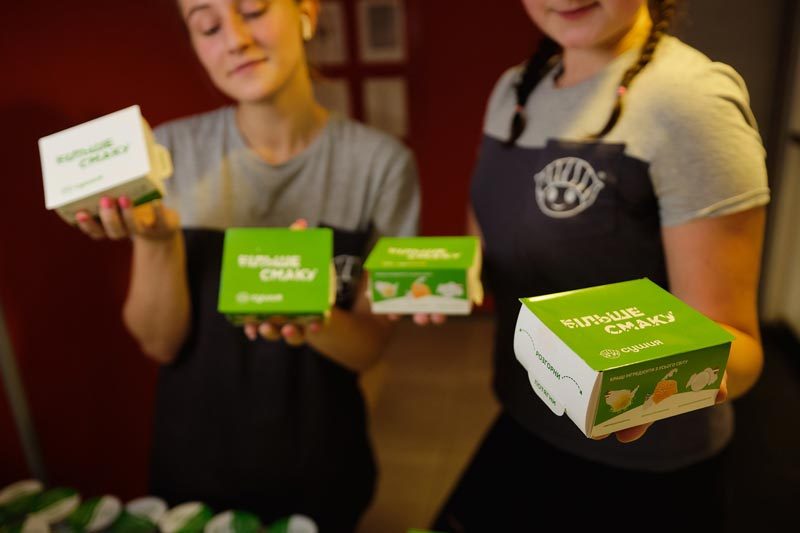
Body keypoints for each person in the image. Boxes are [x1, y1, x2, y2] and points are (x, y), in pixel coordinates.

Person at [72, 0, 420, 530]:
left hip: (322, 462)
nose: (234, 39)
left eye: (253, 9)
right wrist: (159, 240)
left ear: (306, 13)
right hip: (194, 465)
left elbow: (369, 347)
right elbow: (160, 343)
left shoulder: (382, 165)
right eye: (207, 25)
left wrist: (313, 315)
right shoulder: (167, 155)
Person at [429, 0, 769, 529]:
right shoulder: (514, 89)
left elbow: (741, 351)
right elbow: (492, 252)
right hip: (526, 416)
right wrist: (437, 282)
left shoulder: (693, 102)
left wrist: (655, 383)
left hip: (642, 470)